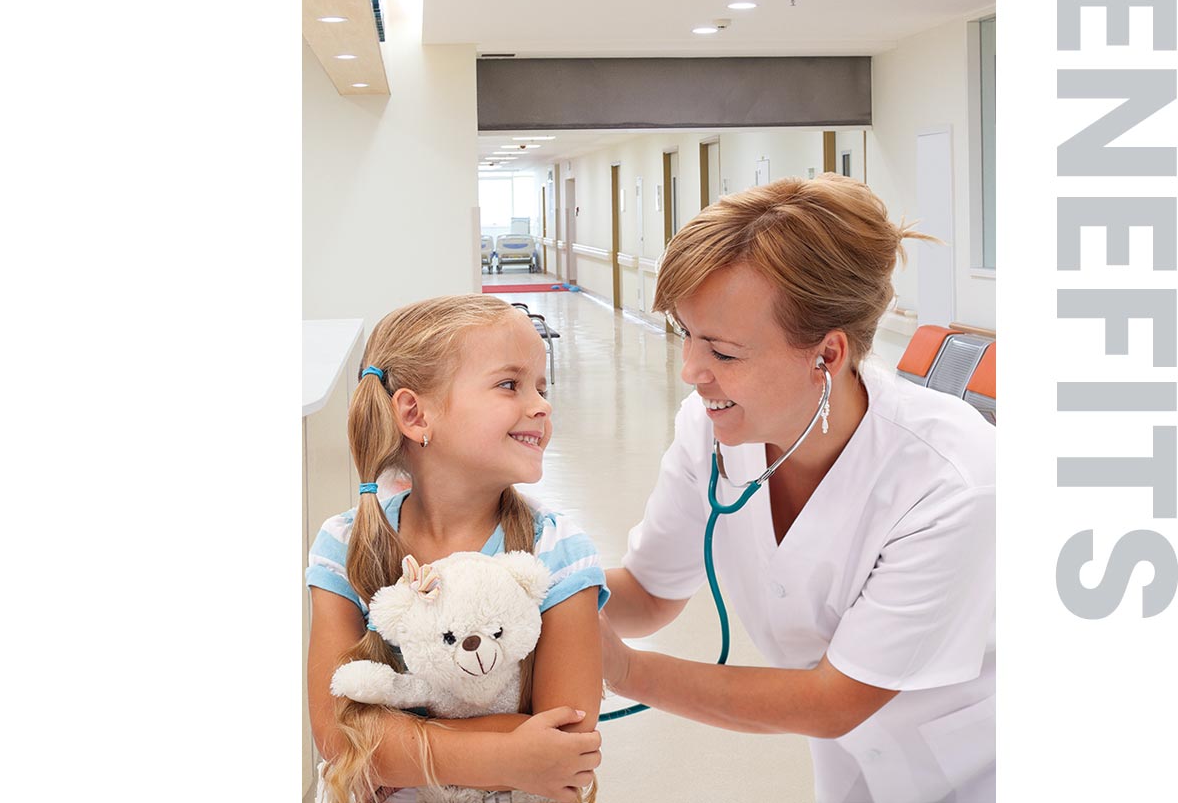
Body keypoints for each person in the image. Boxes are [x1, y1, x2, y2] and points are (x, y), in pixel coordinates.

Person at [601, 175, 995, 803]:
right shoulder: (711, 429)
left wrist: (623, 669)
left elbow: (833, 701)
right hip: (855, 772)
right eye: (686, 335)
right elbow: (648, 595)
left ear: (828, 355)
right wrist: (530, 589)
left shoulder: (952, 479)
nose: (691, 372)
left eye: (724, 353)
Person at [307, 294, 605, 803]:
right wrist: (506, 754)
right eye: (510, 385)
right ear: (415, 415)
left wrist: (393, 743)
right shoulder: (344, 546)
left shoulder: (559, 553)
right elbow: (338, 738)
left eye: (541, 386)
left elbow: (564, 753)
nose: (541, 404)